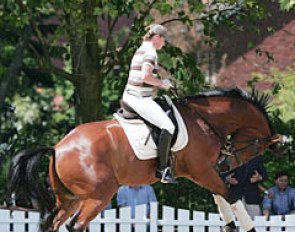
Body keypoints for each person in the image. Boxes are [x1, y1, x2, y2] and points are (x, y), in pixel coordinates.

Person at [122, 24, 175, 183]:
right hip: (139, 99)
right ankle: (162, 169)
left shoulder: (141, 49)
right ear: (157, 37)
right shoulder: (151, 52)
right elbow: (145, 76)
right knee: (169, 126)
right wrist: (162, 83)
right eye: (164, 41)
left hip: (130, 95)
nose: (164, 44)